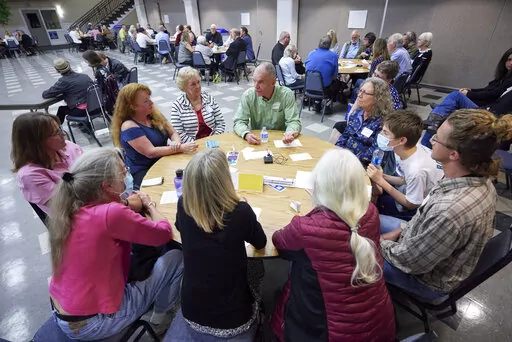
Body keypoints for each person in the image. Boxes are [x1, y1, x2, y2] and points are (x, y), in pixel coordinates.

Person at [48, 147, 184, 339]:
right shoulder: (111, 214)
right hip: (96, 322)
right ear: (107, 187)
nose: (127, 176)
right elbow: (163, 233)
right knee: (177, 257)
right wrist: (150, 206)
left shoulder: (69, 206)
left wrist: (127, 204)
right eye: (123, 172)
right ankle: (160, 321)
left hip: (65, 310)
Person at [380, 109, 512, 299]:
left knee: (348, 254)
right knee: (372, 218)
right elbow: (423, 220)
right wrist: (400, 230)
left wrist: (378, 244)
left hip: (425, 279)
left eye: (437, 139)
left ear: (453, 154)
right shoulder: (474, 179)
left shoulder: (449, 211)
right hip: (418, 245)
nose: (431, 140)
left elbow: (409, 262)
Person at [271, 149, 396, 342]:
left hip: (327, 331)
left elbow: (280, 243)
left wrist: (310, 215)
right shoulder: (370, 212)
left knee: (298, 264)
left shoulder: (305, 228)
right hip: (379, 325)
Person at [164, 148, 266, 341]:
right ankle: (259, 311)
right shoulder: (240, 212)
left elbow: (179, 226)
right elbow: (260, 243)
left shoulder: (184, 203)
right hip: (235, 321)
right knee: (257, 264)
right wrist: (246, 209)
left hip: (192, 313)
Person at [421, 47, 512, 147]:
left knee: (456, 96)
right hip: (485, 107)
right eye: (509, 60)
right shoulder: (504, 76)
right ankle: (438, 115)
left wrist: (469, 94)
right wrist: (471, 90)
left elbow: (492, 95)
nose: (511, 63)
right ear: (504, 60)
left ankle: (436, 117)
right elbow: (487, 89)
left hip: (486, 111)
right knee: (453, 100)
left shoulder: (510, 80)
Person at [112, 83, 198, 189]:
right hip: (145, 170)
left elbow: (173, 133)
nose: (151, 102)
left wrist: (176, 142)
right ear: (132, 106)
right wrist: (180, 148)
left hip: (164, 160)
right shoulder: (129, 126)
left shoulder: (153, 114)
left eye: (149, 98)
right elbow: (151, 152)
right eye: (146, 101)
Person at [367, 110, 444, 220]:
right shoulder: (405, 149)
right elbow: (404, 179)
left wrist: (381, 181)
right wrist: (382, 176)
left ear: (402, 140)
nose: (381, 135)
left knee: (374, 201)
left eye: (385, 133)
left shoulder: (416, 170)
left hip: (417, 208)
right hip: (410, 188)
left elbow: (411, 204)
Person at [11, 113, 82, 214]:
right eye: (56, 133)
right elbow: (66, 207)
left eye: (60, 129)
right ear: (36, 142)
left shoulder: (70, 148)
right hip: (75, 218)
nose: (63, 134)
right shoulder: (30, 175)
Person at [233, 63, 301, 144]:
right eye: (254, 81)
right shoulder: (248, 96)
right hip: (258, 140)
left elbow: (294, 121)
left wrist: (290, 133)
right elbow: (239, 121)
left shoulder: (286, 95)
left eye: (261, 82)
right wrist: (246, 134)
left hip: (281, 141)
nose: (256, 86)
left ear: (273, 82)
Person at [334, 77, 393, 165]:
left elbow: (374, 152)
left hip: (361, 165)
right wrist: (337, 151)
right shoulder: (357, 113)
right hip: (344, 158)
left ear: (378, 98)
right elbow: (345, 136)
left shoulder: (383, 123)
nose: (359, 95)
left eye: (365, 93)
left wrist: (348, 159)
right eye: (360, 90)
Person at [170, 67, 225, 143]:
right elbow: (178, 133)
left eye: (198, 82)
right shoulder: (178, 106)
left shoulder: (209, 99)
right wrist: (198, 144)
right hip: (191, 147)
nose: (198, 86)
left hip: (214, 143)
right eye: (193, 84)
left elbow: (220, 123)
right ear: (184, 87)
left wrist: (213, 140)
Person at [42, 58, 94, 124]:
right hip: (96, 107)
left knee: (62, 109)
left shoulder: (63, 81)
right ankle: (83, 124)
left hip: (83, 111)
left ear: (57, 71)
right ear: (69, 66)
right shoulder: (85, 76)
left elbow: (47, 94)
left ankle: (56, 128)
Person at [305, 35, 343, 109]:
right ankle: (327, 104)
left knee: (320, 81)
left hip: (308, 87)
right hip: (323, 89)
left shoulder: (311, 53)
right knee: (338, 84)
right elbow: (335, 76)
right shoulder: (333, 56)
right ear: (329, 45)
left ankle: (317, 102)